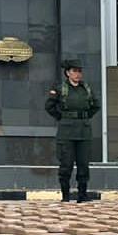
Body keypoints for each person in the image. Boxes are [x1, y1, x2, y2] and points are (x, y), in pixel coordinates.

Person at [46, 58, 99, 202]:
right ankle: (65, 196)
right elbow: (49, 106)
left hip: (83, 131)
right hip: (66, 132)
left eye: (79, 71)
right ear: (67, 73)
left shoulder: (86, 88)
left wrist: (84, 117)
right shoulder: (60, 88)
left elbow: (96, 105)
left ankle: (82, 195)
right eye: (74, 71)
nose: (77, 74)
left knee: (83, 164)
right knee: (66, 164)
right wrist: (62, 117)